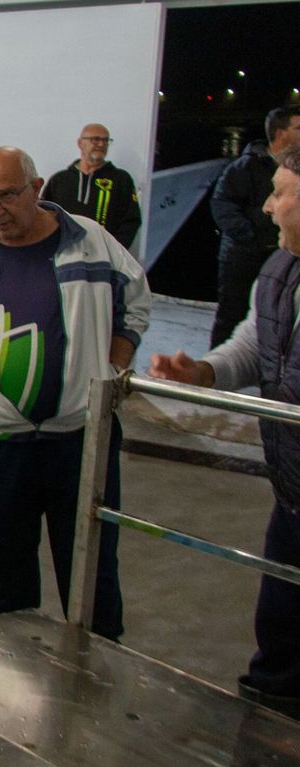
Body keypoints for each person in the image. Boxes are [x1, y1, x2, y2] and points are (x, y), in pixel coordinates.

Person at [0, 147, 152, 641]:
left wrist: (113, 368)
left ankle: (98, 661)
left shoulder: (92, 244)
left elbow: (134, 302)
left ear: (37, 188)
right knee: (6, 563)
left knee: (90, 564)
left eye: (7, 196)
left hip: (81, 440)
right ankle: (11, 662)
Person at [148, 146, 300, 718]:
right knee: (280, 615)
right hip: (289, 487)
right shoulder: (280, 268)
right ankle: (270, 715)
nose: (267, 206)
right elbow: (256, 344)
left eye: (281, 194)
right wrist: (204, 371)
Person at [210, 107, 300, 349]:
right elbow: (221, 205)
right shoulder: (243, 168)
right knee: (231, 316)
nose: (269, 207)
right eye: (298, 128)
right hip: (242, 259)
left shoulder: (291, 169)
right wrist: (252, 237)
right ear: (280, 133)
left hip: (278, 256)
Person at [40, 123, 142, 251]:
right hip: (64, 255)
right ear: (80, 143)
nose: (101, 144)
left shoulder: (121, 179)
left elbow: (131, 220)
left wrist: (114, 251)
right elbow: (43, 214)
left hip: (104, 258)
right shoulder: (60, 179)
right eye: (96, 139)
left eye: (106, 140)